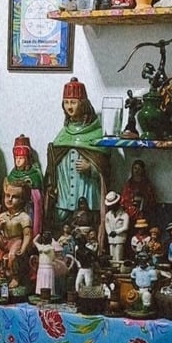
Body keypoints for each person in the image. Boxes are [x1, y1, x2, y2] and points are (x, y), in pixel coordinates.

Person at [45, 77, 110, 247]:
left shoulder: (96, 133)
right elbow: (54, 161)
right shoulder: (63, 133)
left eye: (73, 102)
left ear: (83, 104)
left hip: (87, 192)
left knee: (87, 228)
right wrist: (54, 183)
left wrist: (92, 168)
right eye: (66, 102)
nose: (69, 106)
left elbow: (105, 166)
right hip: (65, 193)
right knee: (62, 227)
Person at [0, 181, 33, 288]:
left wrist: (23, 249)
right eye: (7, 195)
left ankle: (15, 277)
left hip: (16, 241)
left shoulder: (24, 217)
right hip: (4, 240)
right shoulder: (2, 216)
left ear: (22, 200)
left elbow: (27, 235)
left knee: (12, 255)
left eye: (15, 197)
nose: (9, 199)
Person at [6, 135, 44, 237]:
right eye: (16, 158)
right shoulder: (12, 174)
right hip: (14, 208)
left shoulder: (34, 174)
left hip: (27, 208)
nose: (18, 161)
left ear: (27, 159)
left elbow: (37, 197)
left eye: (21, 158)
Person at [120, 159, 159, 227]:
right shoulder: (128, 184)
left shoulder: (147, 185)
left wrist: (143, 201)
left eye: (139, 169)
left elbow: (151, 200)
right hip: (130, 214)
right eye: (135, 168)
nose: (137, 171)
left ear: (143, 170)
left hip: (144, 214)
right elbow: (124, 200)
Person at [33, 231, 63, 296]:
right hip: (45, 267)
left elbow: (34, 241)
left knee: (44, 281)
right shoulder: (49, 248)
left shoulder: (41, 247)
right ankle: (44, 293)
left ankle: (44, 293)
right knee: (45, 281)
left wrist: (39, 234)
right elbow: (53, 258)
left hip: (45, 267)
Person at [103, 191, 129, 264]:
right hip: (111, 237)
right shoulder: (108, 215)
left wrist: (116, 232)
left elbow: (125, 227)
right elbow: (107, 224)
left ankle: (118, 267)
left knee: (118, 255)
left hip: (120, 237)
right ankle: (113, 267)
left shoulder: (124, 215)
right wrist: (109, 232)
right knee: (112, 256)